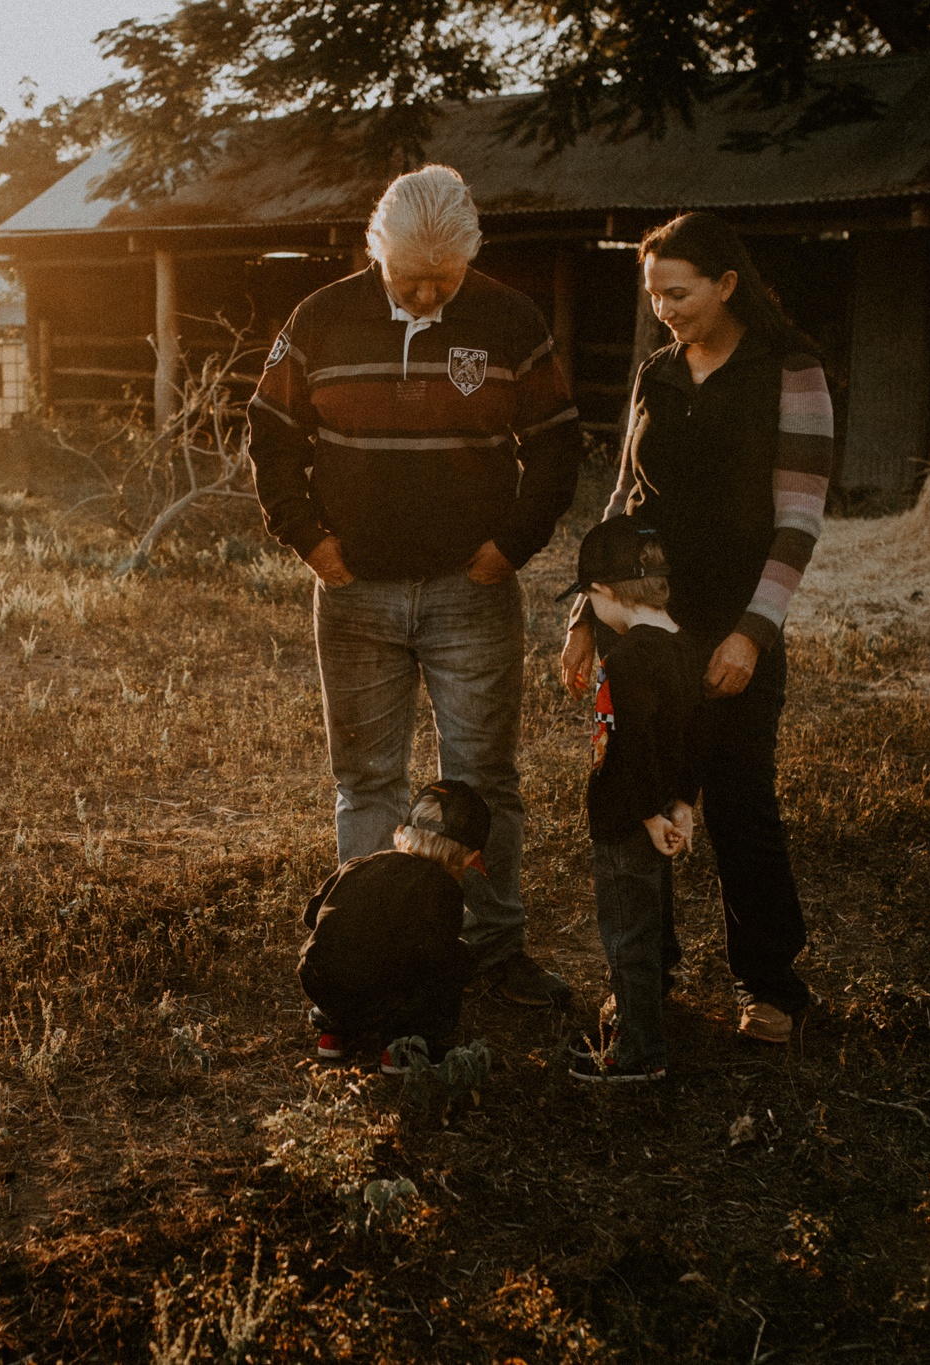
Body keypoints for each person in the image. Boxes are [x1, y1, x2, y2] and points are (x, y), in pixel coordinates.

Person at [251, 164, 581, 1008]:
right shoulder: (320, 317)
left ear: (471, 258)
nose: (429, 296)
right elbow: (272, 431)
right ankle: (374, 949)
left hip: (470, 592)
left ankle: (492, 948)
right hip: (354, 592)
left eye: (445, 280)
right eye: (411, 280)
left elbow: (554, 441)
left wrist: (511, 545)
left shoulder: (511, 320)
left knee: (485, 778)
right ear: (377, 253)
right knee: (368, 780)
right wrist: (311, 541)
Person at [559, 211, 832, 1045]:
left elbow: (800, 519)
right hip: (642, 628)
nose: (664, 308)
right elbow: (619, 503)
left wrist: (754, 631)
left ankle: (770, 986)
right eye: (654, 295)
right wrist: (583, 614)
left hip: (735, 621)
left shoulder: (792, 370)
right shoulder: (655, 373)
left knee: (741, 802)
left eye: (678, 293)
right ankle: (648, 978)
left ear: (727, 284)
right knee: (643, 800)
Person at [552, 517, 704, 1083]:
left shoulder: (629, 660)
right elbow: (693, 735)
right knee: (651, 919)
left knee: (626, 933)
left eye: (592, 599)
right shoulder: (683, 644)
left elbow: (629, 749)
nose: (595, 611)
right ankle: (651, 1013)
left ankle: (638, 1051)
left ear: (609, 593)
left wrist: (642, 817)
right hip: (661, 809)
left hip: (625, 822)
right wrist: (681, 805)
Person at [299, 780, 487, 1075]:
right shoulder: (443, 889)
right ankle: (404, 1047)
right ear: (468, 858)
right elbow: (436, 955)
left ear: (403, 832)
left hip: (321, 982)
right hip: (380, 995)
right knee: (456, 962)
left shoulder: (361, 863)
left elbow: (312, 915)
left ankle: (333, 1031)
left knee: (355, 959)